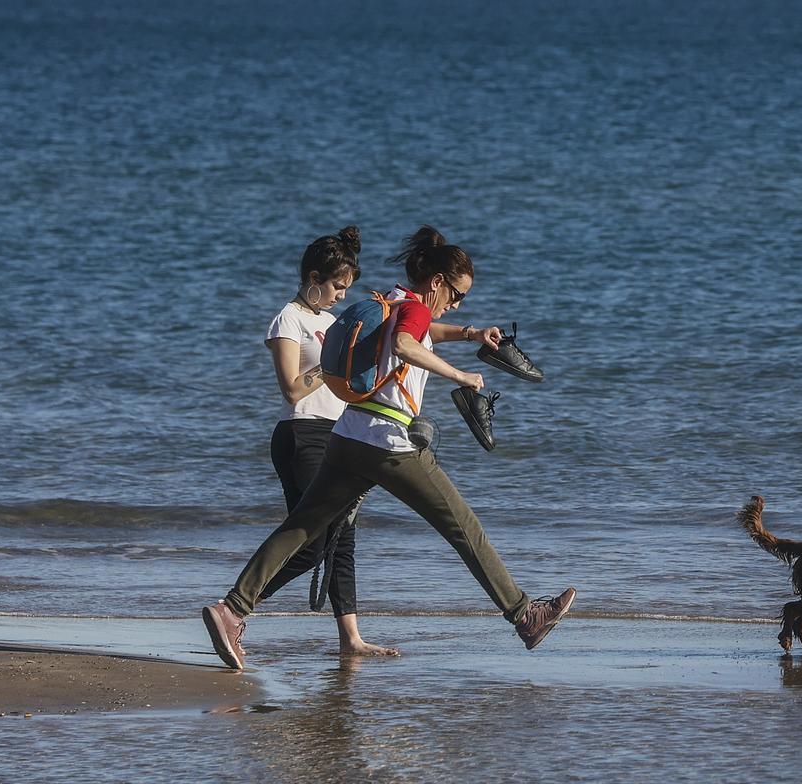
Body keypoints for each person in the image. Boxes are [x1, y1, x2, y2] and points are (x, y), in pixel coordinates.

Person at [202, 225, 576, 669]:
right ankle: (525, 615)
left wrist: (472, 333)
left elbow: (421, 331)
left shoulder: (395, 299)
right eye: (456, 295)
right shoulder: (413, 309)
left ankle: (231, 610)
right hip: (389, 442)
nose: (458, 303)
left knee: (301, 527)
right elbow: (405, 341)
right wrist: (460, 376)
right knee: (463, 525)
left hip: (347, 435)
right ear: (436, 282)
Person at [254, 225, 396, 656]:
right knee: (311, 543)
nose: (340, 295)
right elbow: (293, 389)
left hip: (338, 436)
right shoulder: (289, 318)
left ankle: (351, 639)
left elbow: (358, 377)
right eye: (336, 286)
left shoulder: (334, 322)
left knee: (342, 538)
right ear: (314, 279)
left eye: (347, 288)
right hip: (301, 435)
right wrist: (331, 363)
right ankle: (234, 607)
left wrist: (382, 320)